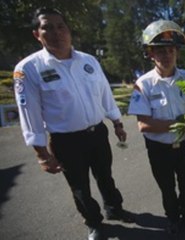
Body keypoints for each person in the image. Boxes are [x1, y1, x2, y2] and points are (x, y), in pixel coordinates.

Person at [13, 7, 133, 240]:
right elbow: (30, 114)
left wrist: (117, 122)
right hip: (66, 141)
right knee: (80, 187)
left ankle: (114, 209)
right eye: (47, 27)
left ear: (69, 30)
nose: (56, 32)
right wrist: (41, 153)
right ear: (37, 34)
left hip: (98, 133)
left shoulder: (88, 61)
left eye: (61, 26)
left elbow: (105, 93)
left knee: (105, 176)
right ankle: (94, 223)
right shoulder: (28, 69)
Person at [127, 20, 185, 238]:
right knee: (167, 190)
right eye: (160, 51)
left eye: (170, 50)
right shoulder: (144, 84)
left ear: (176, 52)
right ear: (151, 54)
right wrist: (181, 123)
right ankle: (173, 220)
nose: (166, 56)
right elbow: (143, 124)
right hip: (159, 150)